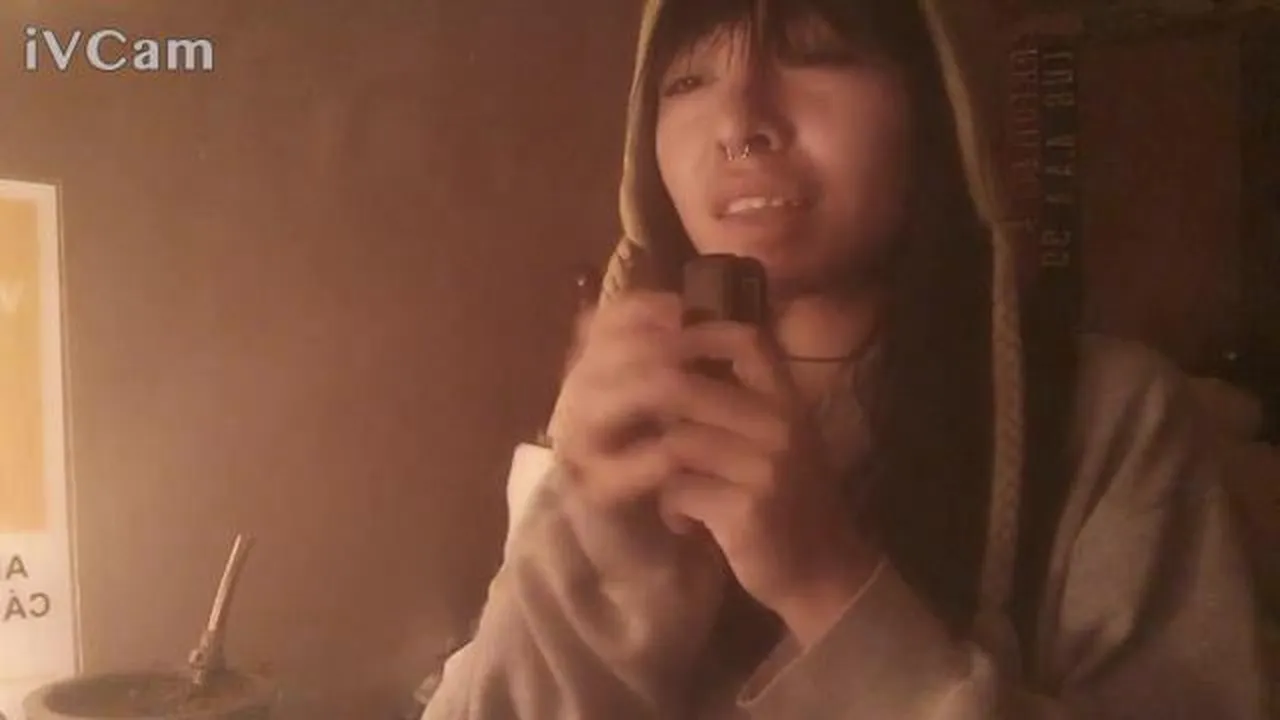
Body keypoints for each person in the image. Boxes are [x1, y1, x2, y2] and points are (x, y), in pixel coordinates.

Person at [420, 0, 1268, 717]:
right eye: (687, 81)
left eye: (816, 55)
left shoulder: (1110, 416)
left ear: (935, 110)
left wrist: (827, 582)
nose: (739, 123)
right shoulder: (631, 405)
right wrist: (598, 550)